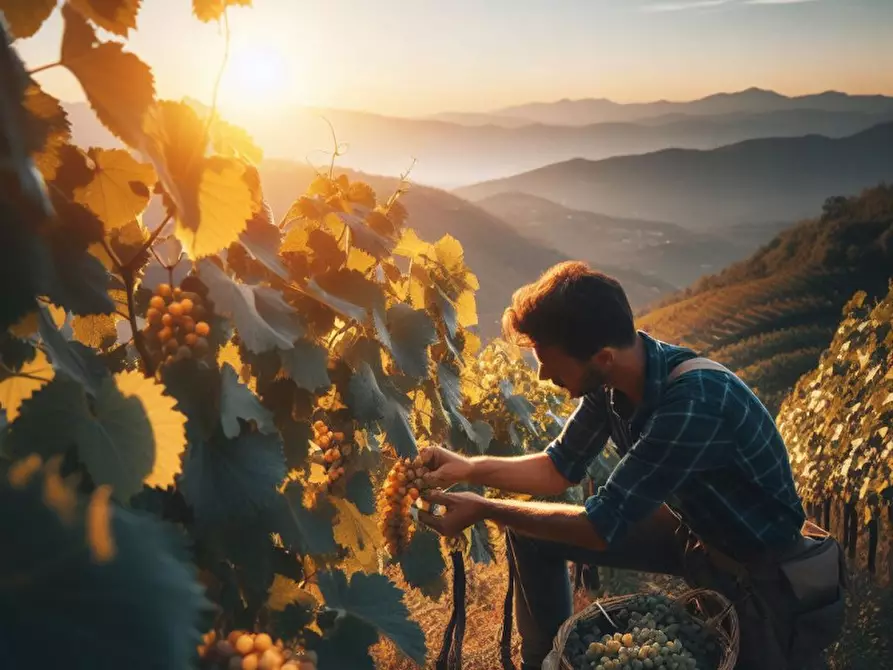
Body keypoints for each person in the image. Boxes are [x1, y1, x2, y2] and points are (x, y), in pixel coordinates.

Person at [417, 261, 846, 670]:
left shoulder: (694, 402)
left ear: (603, 357)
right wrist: (468, 467)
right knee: (531, 534)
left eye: (549, 359)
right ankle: (546, 662)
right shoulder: (610, 382)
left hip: (760, 572)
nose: (544, 374)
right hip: (697, 534)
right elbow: (557, 468)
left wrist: (488, 509)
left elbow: (600, 527)